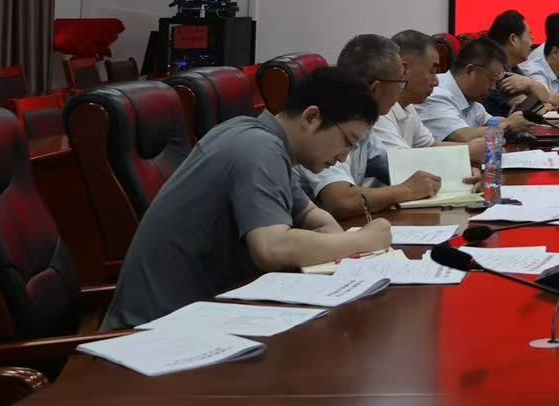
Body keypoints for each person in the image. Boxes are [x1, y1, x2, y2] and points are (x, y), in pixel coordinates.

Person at [102, 67, 390, 330]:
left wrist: (340, 245)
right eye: (347, 142)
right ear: (311, 117)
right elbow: (271, 248)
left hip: (201, 314)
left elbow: (317, 219)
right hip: (156, 331)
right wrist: (362, 241)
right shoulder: (258, 148)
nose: (343, 157)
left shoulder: (264, 140)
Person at [302, 35, 446, 223]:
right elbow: (341, 200)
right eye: (400, 82)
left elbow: (400, 165)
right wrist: (406, 190)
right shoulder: (330, 122)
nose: (402, 90)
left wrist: (462, 174)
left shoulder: (364, 125)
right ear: (375, 89)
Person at [420, 36, 522, 155]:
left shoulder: (471, 99)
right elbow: (461, 136)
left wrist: (518, 120)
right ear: (470, 71)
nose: (493, 88)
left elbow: (490, 122)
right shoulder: (435, 94)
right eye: (491, 79)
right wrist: (508, 124)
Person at [372, 30, 446, 152]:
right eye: (432, 71)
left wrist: (470, 150)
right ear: (404, 69)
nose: (436, 82)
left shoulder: (408, 106)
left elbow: (431, 147)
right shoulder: (381, 108)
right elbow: (402, 161)